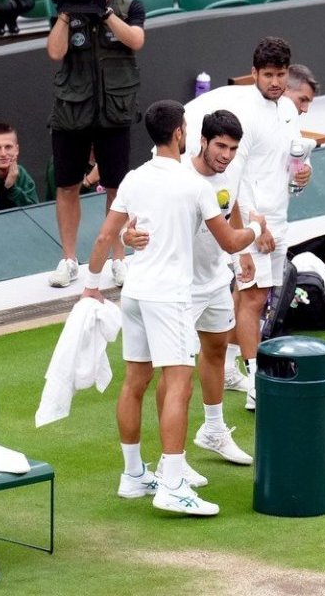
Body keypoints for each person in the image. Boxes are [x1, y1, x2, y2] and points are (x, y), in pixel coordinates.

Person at [82, 100, 264, 516]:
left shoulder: (133, 178)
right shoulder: (193, 185)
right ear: (181, 134)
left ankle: (133, 476)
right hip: (170, 299)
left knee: (135, 381)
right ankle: (174, 483)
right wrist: (257, 228)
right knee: (179, 384)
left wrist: (91, 288)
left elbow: (104, 238)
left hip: (136, 294)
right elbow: (231, 242)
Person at [187, 38, 313, 410]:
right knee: (254, 296)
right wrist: (255, 225)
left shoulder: (288, 111)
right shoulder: (246, 116)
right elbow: (234, 176)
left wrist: (303, 176)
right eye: (268, 74)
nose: (275, 81)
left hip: (280, 215)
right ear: (255, 73)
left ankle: (228, 369)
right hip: (258, 223)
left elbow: (293, 160)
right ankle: (257, 377)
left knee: (250, 297)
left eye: (281, 75)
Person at [125, 110, 255, 470]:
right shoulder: (177, 177)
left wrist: (242, 252)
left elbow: (232, 206)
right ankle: (171, 461)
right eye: (220, 146)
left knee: (214, 349)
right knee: (173, 372)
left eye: (232, 148)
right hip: (179, 290)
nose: (226, 155)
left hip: (215, 279)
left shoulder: (231, 171)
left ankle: (213, 430)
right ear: (201, 141)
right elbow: (134, 224)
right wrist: (128, 237)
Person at [45, 0, 146, 288]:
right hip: (72, 110)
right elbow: (55, 51)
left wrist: (105, 14)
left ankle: (118, 259)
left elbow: (136, 40)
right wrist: (65, 13)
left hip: (114, 111)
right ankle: (68, 259)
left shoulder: (130, 6)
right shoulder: (68, 7)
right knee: (67, 185)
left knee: (117, 187)